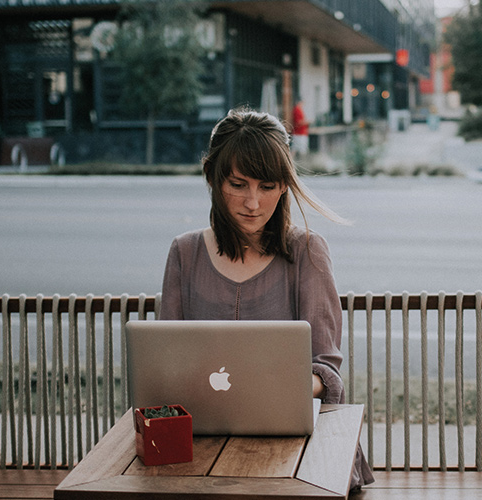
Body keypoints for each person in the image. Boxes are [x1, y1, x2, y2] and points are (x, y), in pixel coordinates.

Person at [159, 108, 373, 490]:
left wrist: (264, 387)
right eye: (238, 185)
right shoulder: (184, 252)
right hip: (203, 446)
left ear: (285, 185)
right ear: (212, 177)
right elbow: (164, 364)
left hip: (298, 452)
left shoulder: (306, 250)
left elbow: (327, 371)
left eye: (267, 186)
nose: (253, 204)